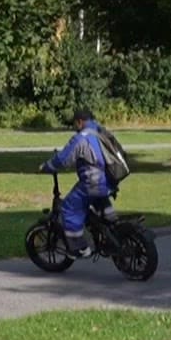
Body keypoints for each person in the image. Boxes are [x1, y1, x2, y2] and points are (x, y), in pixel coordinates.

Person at [39, 106, 117, 257]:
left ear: (80, 122)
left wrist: (46, 167)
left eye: (75, 123)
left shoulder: (81, 138)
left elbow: (63, 159)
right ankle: (113, 225)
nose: (74, 126)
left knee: (69, 208)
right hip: (110, 180)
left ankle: (79, 247)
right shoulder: (101, 131)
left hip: (93, 182)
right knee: (99, 203)